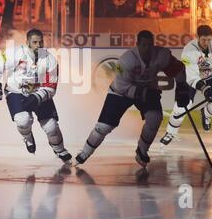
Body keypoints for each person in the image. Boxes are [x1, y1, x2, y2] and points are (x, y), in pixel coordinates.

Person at [76, 30, 185, 168]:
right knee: (103, 127)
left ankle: (142, 150)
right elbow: (122, 86)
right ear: (137, 45)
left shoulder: (161, 55)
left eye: (150, 45)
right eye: (144, 45)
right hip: (120, 92)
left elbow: (179, 69)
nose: (147, 49)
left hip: (147, 89)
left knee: (155, 118)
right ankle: (85, 151)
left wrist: (182, 88)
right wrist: (143, 93)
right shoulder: (126, 60)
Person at [0, 28, 72, 163]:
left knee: (51, 126)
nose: (38, 45)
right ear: (27, 42)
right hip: (16, 92)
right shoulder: (15, 53)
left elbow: (51, 87)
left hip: (40, 94)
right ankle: (27, 137)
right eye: (34, 42)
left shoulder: (50, 59)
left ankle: (59, 149)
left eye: (40, 42)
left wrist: (37, 96)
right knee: (23, 120)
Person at [160, 25, 212, 145]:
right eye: (204, 40)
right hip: (189, 79)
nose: (206, 43)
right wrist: (205, 89)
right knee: (181, 108)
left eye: (209, 39)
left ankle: (206, 113)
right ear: (197, 37)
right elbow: (192, 77)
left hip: (211, 75)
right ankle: (171, 132)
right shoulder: (189, 51)